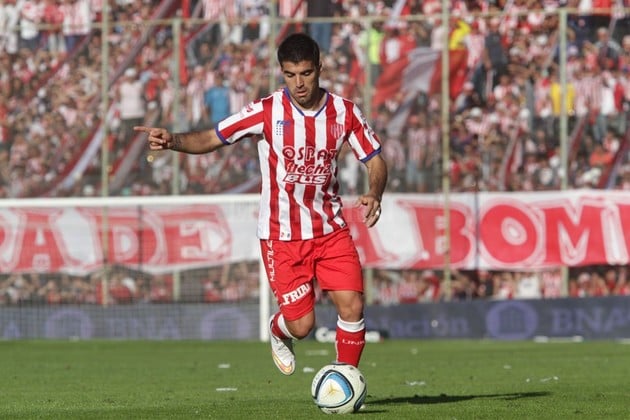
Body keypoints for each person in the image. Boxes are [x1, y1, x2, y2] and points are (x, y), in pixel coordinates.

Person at [134, 33, 388, 376]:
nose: (299, 83)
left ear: (320, 68)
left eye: (306, 73)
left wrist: (375, 192)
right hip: (281, 235)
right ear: (282, 73)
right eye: (290, 75)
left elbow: (375, 159)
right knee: (302, 326)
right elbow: (213, 137)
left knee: (352, 305)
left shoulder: (344, 112)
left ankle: (344, 380)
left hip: (330, 229)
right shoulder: (266, 111)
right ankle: (278, 330)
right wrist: (173, 140)